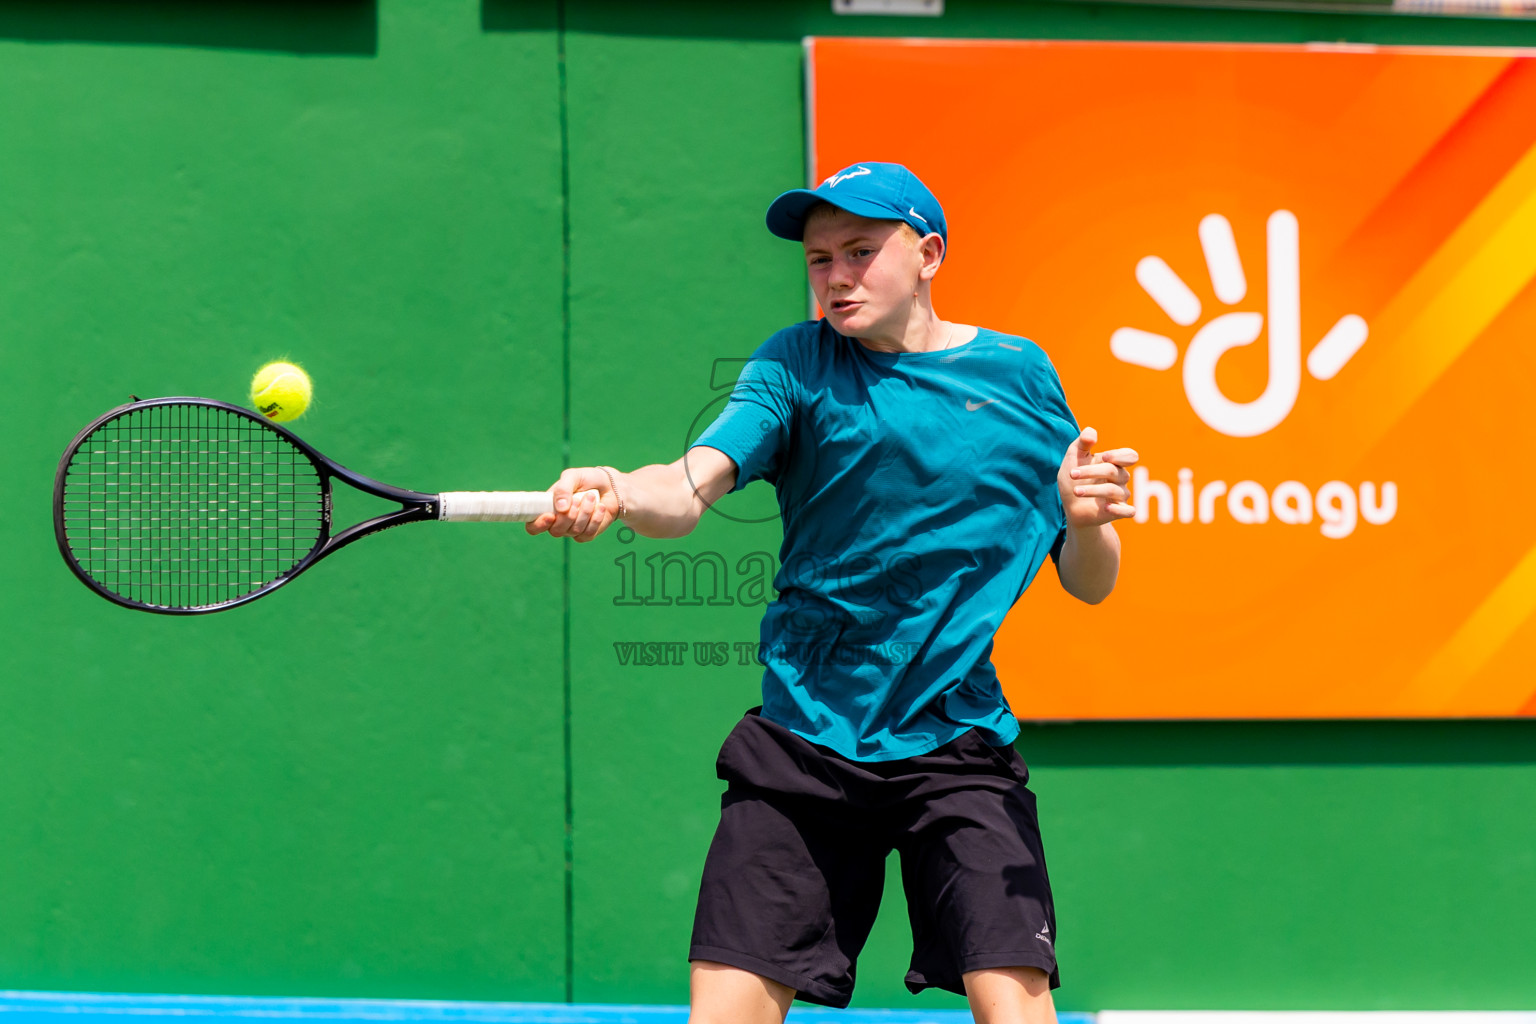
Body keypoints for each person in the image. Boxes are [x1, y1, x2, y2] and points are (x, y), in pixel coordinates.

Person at [526, 162, 1137, 1024]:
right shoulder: (795, 364)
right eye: (820, 259)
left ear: (927, 253)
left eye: (860, 250)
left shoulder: (1019, 374)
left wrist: (1083, 522)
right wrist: (621, 488)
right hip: (805, 743)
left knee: (1015, 1008)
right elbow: (686, 489)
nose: (837, 276)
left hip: (958, 747)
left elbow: (1090, 581)